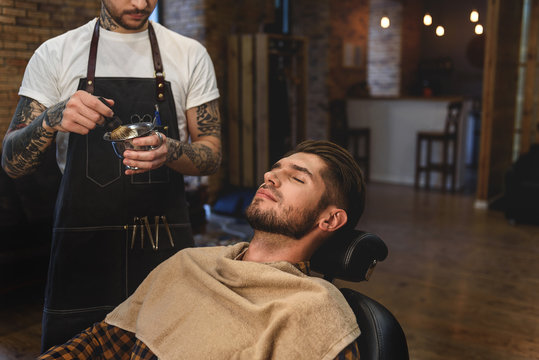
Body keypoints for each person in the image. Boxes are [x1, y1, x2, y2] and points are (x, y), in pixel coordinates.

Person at [1, 0, 221, 351]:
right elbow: (13, 163)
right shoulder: (56, 53)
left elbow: (211, 154)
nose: (140, 3)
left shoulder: (189, 54)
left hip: (160, 245)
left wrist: (172, 151)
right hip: (83, 248)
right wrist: (51, 119)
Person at [38, 140, 366, 360]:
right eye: (274, 170)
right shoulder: (188, 263)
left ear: (330, 218)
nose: (269, 177)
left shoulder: (313, 312)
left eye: (296, 178)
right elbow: (101, 343)